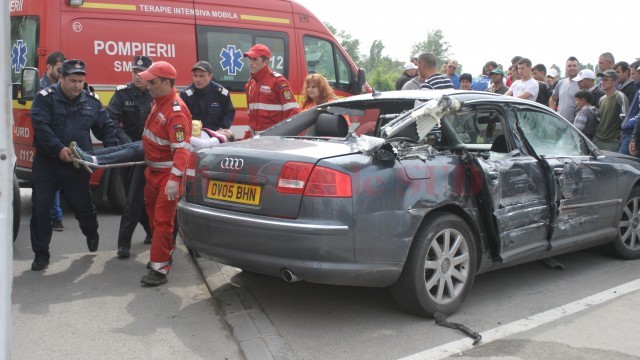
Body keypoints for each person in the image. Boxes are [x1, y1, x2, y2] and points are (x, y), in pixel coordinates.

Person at [29, 59, 117, 271]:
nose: (77, 85)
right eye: (72, 81)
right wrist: (59, 148)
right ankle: (41, 255)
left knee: (83, 207)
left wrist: (112, 150)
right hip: (47, 163)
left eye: (80, 80)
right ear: (61, 78)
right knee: (41, 208)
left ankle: (91, 231)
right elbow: (41, 126)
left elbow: (106, 127)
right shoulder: (45, 99)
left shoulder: (91, 101)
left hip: (76, 164)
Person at [136, 61, 192, 286]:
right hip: (153, 173)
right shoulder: (159, 103)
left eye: (153, 81)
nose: (148, 85)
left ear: (167, 83)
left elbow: (182, 150)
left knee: (162, 222)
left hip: (166, 177)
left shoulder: (175, 111)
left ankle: (159, 269)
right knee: (154, 219)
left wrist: (175, 178)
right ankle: (163, 253)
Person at [106, 55, 154, 258]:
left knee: (135, 198)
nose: (137, 76)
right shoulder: (122, 93)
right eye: (134, 72)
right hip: (129, 151)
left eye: (141, 73)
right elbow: (111, 121)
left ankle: (123, 243)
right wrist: (127, 142)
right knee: (131, 197)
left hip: (150, 153)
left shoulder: (155, 94)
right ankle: (151, 231)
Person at [71, 126, 234, 167]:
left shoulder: (218, 139)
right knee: (126, 148)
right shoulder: (212, 133)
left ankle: (94, 160)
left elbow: (200, 144)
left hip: (167, 149)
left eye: (226, 130)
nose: (222, 129)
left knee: (131, 150)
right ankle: (89, 155)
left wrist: (178, 133)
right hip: (164, 143)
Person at [243, 44, 300, 137]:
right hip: (256, 142)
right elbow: (251, 120)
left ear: (265, 62)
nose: (250, 63)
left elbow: (293, 114)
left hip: (273, 142)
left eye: (255, 59)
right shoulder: (250, 84)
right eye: (249, 59)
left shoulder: (278, 82)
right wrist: (245, 139)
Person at [40, 51, 67, 232]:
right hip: (46, 140)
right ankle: (55, 217)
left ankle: (54, 216)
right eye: (59, 70)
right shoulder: (39, 87)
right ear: (48, 67)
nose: (61, 74)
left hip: (62, 139)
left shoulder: (62, 85)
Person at [180, 60, 235, 131]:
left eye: (201, 76)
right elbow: (181, 118)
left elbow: (229, 112)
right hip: (195, 138)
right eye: (195, 76)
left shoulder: (221, 93)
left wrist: (222, 130)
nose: (197, 79)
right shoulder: (186, 95)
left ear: (210, 76)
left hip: (215, 137)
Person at [593, 69, 629, 151]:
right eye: (601, 80)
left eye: (606, 80)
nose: (602, 82)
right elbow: (599, 119)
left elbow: (625, 119)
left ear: (615, 82)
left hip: (612, 142)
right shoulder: (601, 99)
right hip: (598, 139)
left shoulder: (619, 97)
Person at [550, 56, 580, 122]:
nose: (572, 68)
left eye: (574, 66)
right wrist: (552, 114)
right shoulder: (561, 82)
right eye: (569, 66)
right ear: (565, 68)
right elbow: (552, 99)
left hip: (573, 126)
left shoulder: (582, 84)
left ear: (578, 67)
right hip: (558, 122)